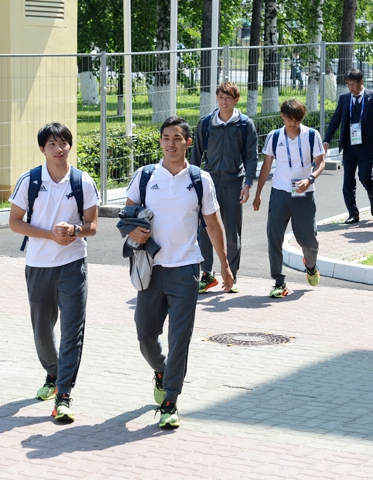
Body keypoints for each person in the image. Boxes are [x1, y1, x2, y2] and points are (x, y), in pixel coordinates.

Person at [125, 116, 233, 428]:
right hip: (152, 268)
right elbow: (127, 212)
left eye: (177, 138)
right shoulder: (146, 176)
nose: (171, 143)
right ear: (160, 142)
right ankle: (161, 370)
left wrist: (224, 265)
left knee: (179, 338)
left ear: (188, 142)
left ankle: (171, 401)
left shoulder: (200, 179)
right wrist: (134, 231)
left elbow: (213, 224)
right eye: (166, 138)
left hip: (186, 269)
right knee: (145, 334)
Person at [8, 122, 99, 423]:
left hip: (73, 265)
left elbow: (93, 227)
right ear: (42, 149)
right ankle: (52, 373)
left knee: (72, 332)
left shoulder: (82, 181)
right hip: (38, 265)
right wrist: (49, 235)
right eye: (52, 144)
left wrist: (74, 230)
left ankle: (64, 394)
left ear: (70, 146)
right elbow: (15, 222)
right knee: (42, 330)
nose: (59, 149)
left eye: (63, 143)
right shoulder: (30, 180)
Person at [253, 99, 325, 298]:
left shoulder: (312, 135)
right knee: (274, 237)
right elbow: (266, 167)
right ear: (282, 116)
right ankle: (279, 281)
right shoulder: (274, 137)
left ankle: (310, 266)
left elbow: (320, 163)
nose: (294, 123)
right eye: (290, 119)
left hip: (304, 194)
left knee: (308, 240)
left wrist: (309, 180)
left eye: (298, 119)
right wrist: (258, 194)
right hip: (280, 194)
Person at [190, 81, 257, 295]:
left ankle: (232, 275)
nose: (224, 101)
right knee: (205, 228)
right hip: (209, 183)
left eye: (228, 97)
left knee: (231, 232)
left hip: (233, 184)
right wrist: (192, 183)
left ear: (236, 99)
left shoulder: (245, 125)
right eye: (221, 97)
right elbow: (195, 156)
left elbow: (251, 157)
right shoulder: (206, 123)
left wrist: (247, 184)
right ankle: (207, 274)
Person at [323, 68, 373, 224]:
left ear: (361, 82)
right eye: (348, 84)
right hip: (349, 146)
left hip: (367, 146)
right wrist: (326, 141)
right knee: (347, 182)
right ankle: (353, 213)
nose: (351, 88)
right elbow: (335, 121)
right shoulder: (344, 99)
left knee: (365, 177)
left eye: (354, 84)